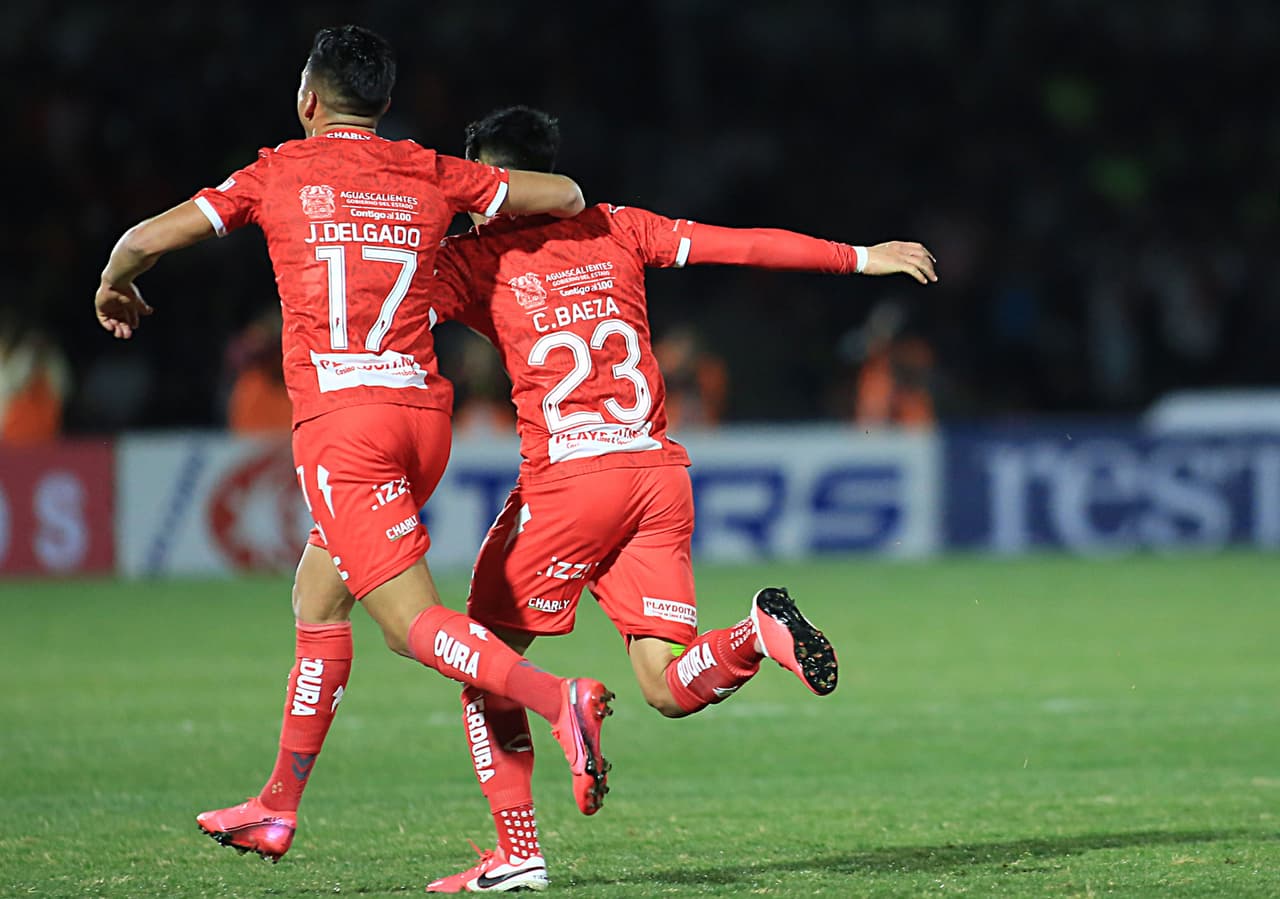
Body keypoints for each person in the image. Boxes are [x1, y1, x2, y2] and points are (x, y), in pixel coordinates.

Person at [93, 28, 616, 866]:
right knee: (318, 597)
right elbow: (564, 195)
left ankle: (560, 698)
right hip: (422, 421)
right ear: (379, 105)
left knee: (410, 627)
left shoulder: (277, 172)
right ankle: (275, 806)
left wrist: (115, 282)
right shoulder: (429, 169)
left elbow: (145, 240)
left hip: (345, 427)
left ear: (308, 99)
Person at [416, 106, 938, 892]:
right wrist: (863, 257)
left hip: (570, 482)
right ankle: (757, 635)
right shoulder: (620, 228)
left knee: (486, 666)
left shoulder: (472, 258)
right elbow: (745, 245)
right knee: (663, 683)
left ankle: (517, 852)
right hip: (656, 476)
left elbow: (376, 301)